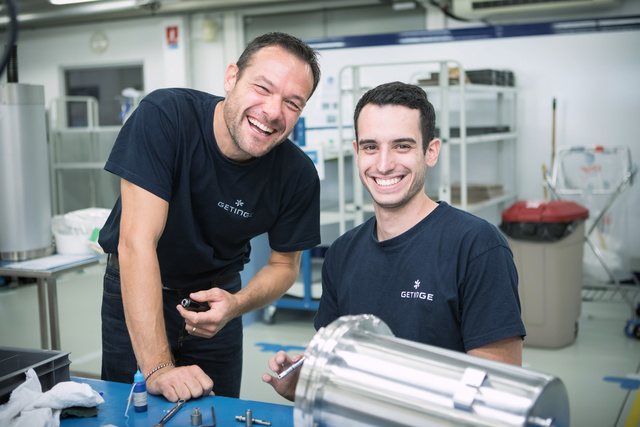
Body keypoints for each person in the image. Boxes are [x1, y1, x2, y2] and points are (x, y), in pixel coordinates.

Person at [262, 81, 526, 401]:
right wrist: (304, 381)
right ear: (357, 152)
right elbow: (333, 363)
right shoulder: (342, 254)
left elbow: (498, 387)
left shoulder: (477, 247)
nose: (384, 164)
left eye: (402, 146)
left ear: (431, 152)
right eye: (371, 147)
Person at [98, 32, 322, 402]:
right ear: (231, 77)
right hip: (136, 284)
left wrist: (235, 305)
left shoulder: (296, 174)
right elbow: (136, 242)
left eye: (292, 103)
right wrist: (157, 368)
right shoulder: (165, 116)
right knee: (132, 409)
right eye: (262, 88)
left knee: (215, 412)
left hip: (218, 300)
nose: (272, 111)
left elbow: (285, 265)